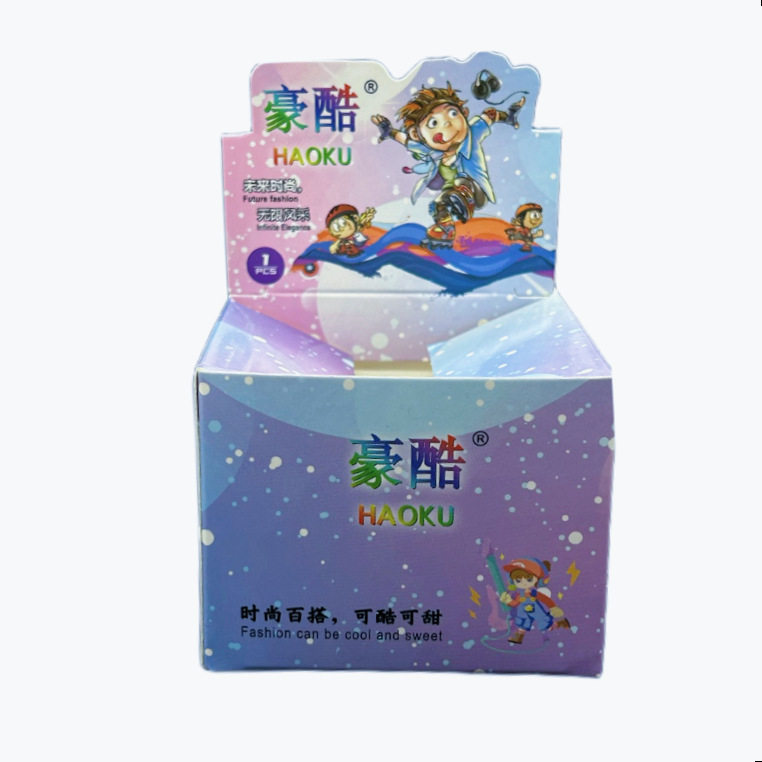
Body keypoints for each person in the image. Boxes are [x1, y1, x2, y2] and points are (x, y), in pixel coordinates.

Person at [372, 83, 524, 245]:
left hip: (476, 191)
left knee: (461, 181)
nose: (447, 124)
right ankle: (446, 230)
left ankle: (464, 199)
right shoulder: (431, 150)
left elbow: (489, 116)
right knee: (438, 205)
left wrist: (508, 117)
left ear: (464, 113)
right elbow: (407, 141)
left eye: (453, 113)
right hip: (451, 194)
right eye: (433, 123)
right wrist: (388, 130)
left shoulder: (472, 133)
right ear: (417, 134)